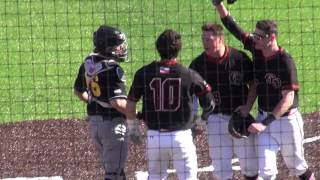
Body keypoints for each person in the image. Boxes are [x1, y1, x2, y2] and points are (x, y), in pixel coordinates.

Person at [212, 1, 316, 180]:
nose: (254, 38)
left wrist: (264, 123)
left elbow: (288, 99)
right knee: (266, 172)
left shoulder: (285, 62)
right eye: (255, 35)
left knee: (298, 167)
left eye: (259, 36)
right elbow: (233, 27)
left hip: (287, 123)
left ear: (271, 38)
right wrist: (219, 4)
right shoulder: (257, 49)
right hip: (264, 119)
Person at [126, 29, 215, 180]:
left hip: (154, 138)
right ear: (179, 49)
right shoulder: (189, 74)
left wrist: (133, 129)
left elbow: (130, 105)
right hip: (181, 138)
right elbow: (210, 104)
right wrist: (200, 123)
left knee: (155, 177)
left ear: (157, 48)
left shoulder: (144, 73)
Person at [189, 23, 259, 180]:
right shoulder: (198, 64)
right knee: (221, 170)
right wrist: (195, 120)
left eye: (209, 39)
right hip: (215, 120)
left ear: (220, 39)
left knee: (251, 169)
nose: (204, 43)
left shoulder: (239, 58)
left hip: (240, 118)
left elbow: (254, 83)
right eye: (203, 39)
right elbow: (190, 94)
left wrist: (248, 107)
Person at [73, 25, 129, 180]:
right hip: (113, 127)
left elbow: (78, 90)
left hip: (96, 126)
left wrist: (93, 101)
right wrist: (136, 114)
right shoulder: (113, 70)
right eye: (118, 46)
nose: (121, 48)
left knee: (117, 172)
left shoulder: (88, 62)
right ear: (108, 47)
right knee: (113, 175)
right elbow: (118, 103)